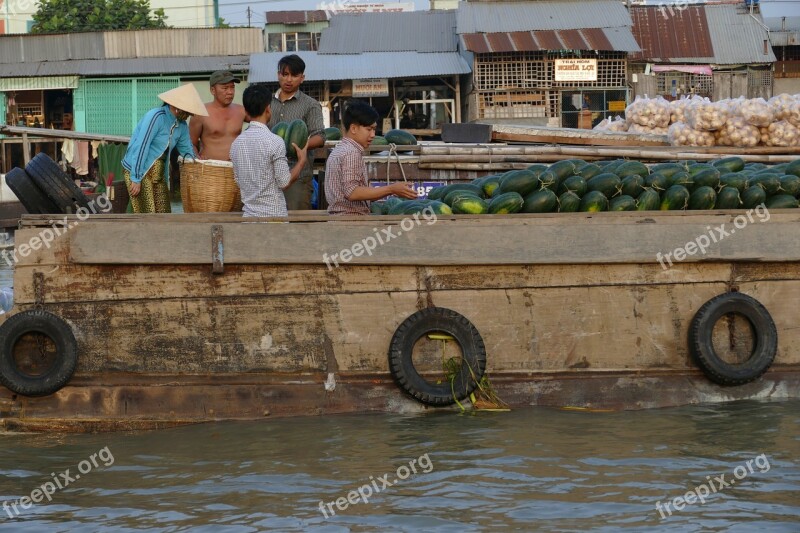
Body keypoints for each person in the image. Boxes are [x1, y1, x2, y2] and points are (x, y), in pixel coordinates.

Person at [122, 84, 207, 213]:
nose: (190, 114)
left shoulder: (182, 125)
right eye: (188, 110)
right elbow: (142, 145)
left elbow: (187, 150)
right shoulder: (156, 116)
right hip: (138, 169)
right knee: (148, 214)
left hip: (159, 173)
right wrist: (136, 177)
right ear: (176, 106)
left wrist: (199, 165)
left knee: (164, 213)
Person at [230, 84, 308, 218]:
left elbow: (238, 181)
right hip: (274, 218)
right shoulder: (275, 141)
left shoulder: (236, 144)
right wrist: (301, 162)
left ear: (246, 112)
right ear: (268, 109)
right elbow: (284, 183)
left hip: (249, 218)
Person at [326, 100, 416, 215]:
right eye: (368, 129)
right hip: (351, 221)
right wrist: (391, 189)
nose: (373, 135)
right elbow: (352, 192)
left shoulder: (340, 149)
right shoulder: (351, 153)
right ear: (353, 128)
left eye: (374, 129)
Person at [267, 54, 325, 211]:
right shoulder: (267, 103)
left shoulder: (310, 105)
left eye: (294, 75)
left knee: (297, 225)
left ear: (302, 78)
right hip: (268, 176)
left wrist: (300, 146)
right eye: (285, 74)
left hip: (298, 175)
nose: (289, 79)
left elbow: (320, 136)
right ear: (278, 74)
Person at [189, 70, 247, 161]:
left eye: (232, 87)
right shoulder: (201, 113)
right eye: (225, 88)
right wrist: (198, 158)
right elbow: (191, 144)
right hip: (209, 169)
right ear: (213, 90)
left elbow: (259, 122)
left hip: (235, 169)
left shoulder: (242, 111)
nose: (230, 92)